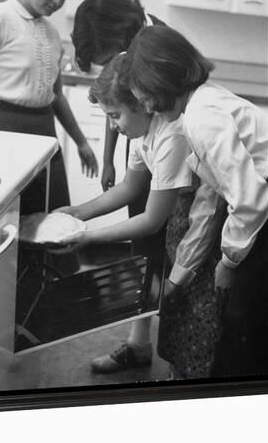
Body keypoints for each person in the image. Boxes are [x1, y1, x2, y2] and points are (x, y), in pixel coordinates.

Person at [124, 25, 268, 378]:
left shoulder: (202, 116)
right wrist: (185, 269)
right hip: (262, 206)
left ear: (161, 77)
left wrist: (230, 261)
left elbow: (249, 199)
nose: (142, 104)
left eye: (141, 92)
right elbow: (212, 192)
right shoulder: (202, 103)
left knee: (247, 324)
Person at [56, 54, 194, 373]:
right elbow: (129, 188)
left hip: (217, 217)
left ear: (143, 104)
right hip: (182, 214)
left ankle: (186, 380)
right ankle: (145, 352)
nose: (112, 126)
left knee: (185, 301)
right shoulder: (141, 131)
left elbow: (151, 220)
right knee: (167, 290)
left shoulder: (171, 135)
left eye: (114, 115)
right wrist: (78, 213)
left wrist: (85, 237)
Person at [70, 0, 168, 372]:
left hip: (168, 154)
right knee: (144, 248)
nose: (110, 60)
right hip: (142, 146)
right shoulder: (126, 54)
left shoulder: (157, 43)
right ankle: (139, 343)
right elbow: (117, 106)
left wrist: (90, 235)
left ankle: (152, 345)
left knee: (160, 245)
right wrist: (110, 157)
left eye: (108, 53)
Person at [0, 0, 98, 217]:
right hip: (1, 132)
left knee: (49, 217)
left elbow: (56, 95)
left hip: (45, 133)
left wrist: (81, 142)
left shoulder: (52, 33)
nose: (58, 0)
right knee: (7, 219)